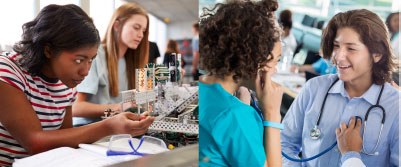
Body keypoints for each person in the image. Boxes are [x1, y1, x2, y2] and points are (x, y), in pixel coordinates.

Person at [0, 4, 154, 166]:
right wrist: (109, 126)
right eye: (79, 60)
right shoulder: (8, 71)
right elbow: (35, 143)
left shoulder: (66, 81)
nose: (86, 71)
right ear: (49, 50)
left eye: (91, 60)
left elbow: (65, 138)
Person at [281, 9, 399, 167]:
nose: (338, 56)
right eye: (336, 46)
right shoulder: (314, 89)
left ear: (376, 54)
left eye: (351, 48)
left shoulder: (395, 106)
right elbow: (284, 144)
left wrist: (351, 155)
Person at [199, 0, 283, 166]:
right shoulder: (235, 115)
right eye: (276, 61)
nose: (276, 70)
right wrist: (272, 113)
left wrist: (242, 101)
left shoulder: (201, 86)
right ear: (256, 62)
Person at [72, 3, 150, 126]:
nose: (141, 35)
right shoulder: (95, 55)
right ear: (117, 25)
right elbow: (75, 108)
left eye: (143, 31)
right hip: (88, 130)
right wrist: (117, 108)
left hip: (114, 129)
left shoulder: (129, 62)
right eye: (136, 28)